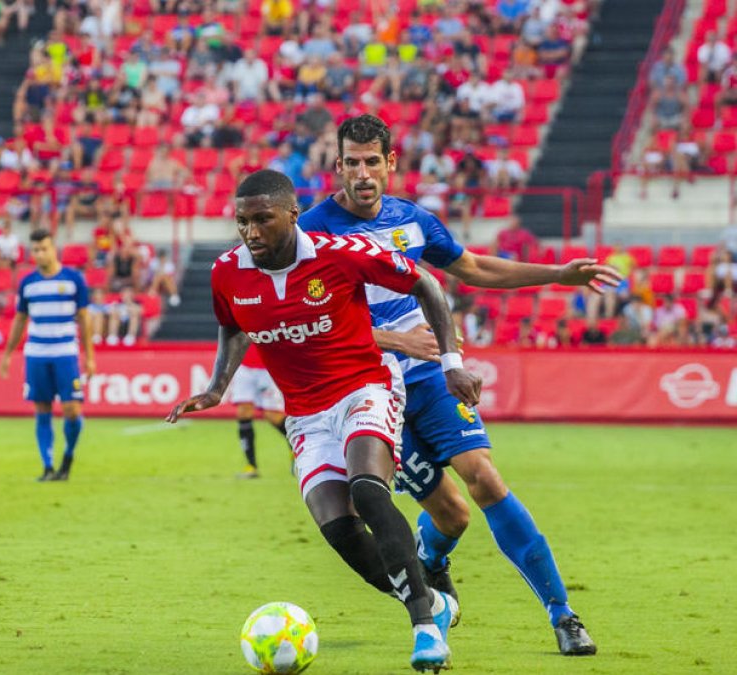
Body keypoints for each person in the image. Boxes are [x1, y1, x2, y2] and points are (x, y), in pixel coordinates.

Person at [299, 114, 618, 656]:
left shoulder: (413, 221)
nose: (362, 173)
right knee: (453, 514)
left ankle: (563, 614)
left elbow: (474, 269)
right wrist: (397, 342)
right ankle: (431, 560)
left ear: (390, 162)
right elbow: (316, 323)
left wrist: (557, 274)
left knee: (486, 479)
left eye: (371, 161)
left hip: (427, 375)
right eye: (351, 162)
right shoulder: (311, 232)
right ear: (338, 167)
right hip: (368, 390)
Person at [167, 169, 466, 672]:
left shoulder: (338, 254)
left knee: (369, 489)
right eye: (242, 221)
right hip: (304, 414)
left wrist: (452, 362)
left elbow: (427, 284)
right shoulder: (228, 272)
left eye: (263, 219)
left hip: (364, 388)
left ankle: (423, 629)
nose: (252, 232)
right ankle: (432, 601)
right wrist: (217, 388)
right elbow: (233, 325)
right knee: (340, 531)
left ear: (292, 215)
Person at [0, 228, 96, 482]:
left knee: (72, 409)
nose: (40, 254)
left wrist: (90, 356)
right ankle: (48, 466)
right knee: (42, 408)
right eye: (36, 250)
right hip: (36, 353)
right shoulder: (28, 284)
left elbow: (84, 320)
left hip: (65, 352)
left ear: (54, 249)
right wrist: (8, 353)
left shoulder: (74, 280)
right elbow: (20, 320)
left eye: (44, 248)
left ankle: (68, 457)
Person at [227, 348, 287, 479]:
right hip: (243, 365)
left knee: (273, 416)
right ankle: (251, 466)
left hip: (268, 367)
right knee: (243, 412)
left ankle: (296, 448)